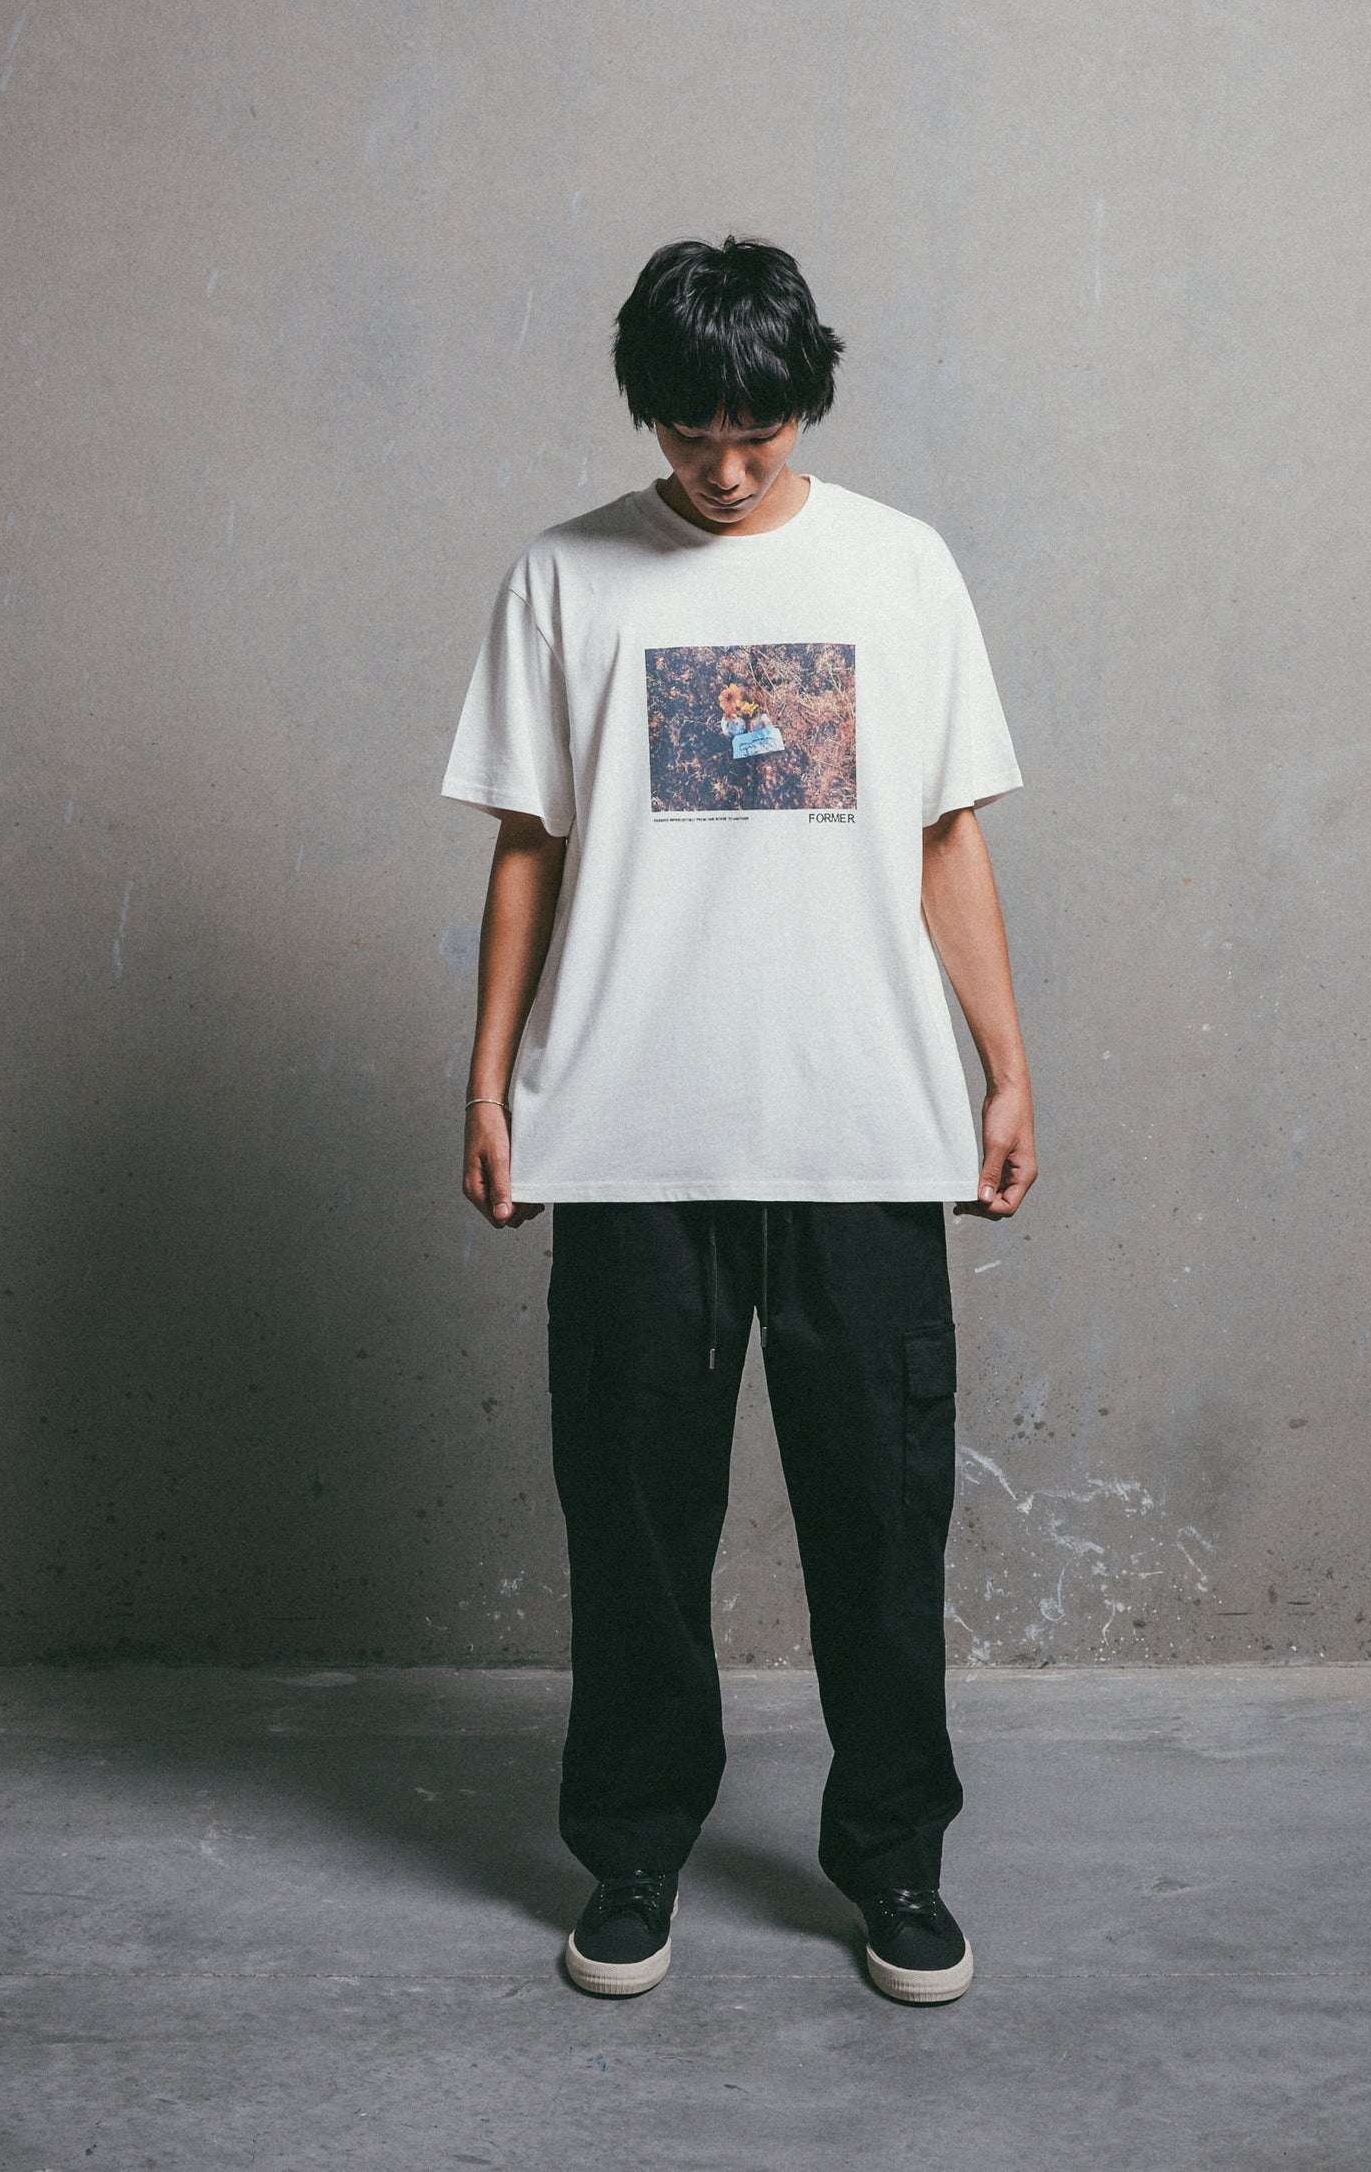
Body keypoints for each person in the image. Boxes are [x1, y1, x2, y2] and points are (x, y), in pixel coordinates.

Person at [441, 234, 1036, 2006]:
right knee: (632, 1527)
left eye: (756, 435)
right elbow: (528, 843)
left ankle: (895, 1865)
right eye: (689, 434)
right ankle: (631, 1858)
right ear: (647, 411)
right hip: (630, 1132)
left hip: (862, 1125)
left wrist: (1005, 1064)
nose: (721, 467)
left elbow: (943, 833)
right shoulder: (565, 576)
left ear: (804, 405)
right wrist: (487, 1078)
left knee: (881, 1526)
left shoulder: (901, 567)